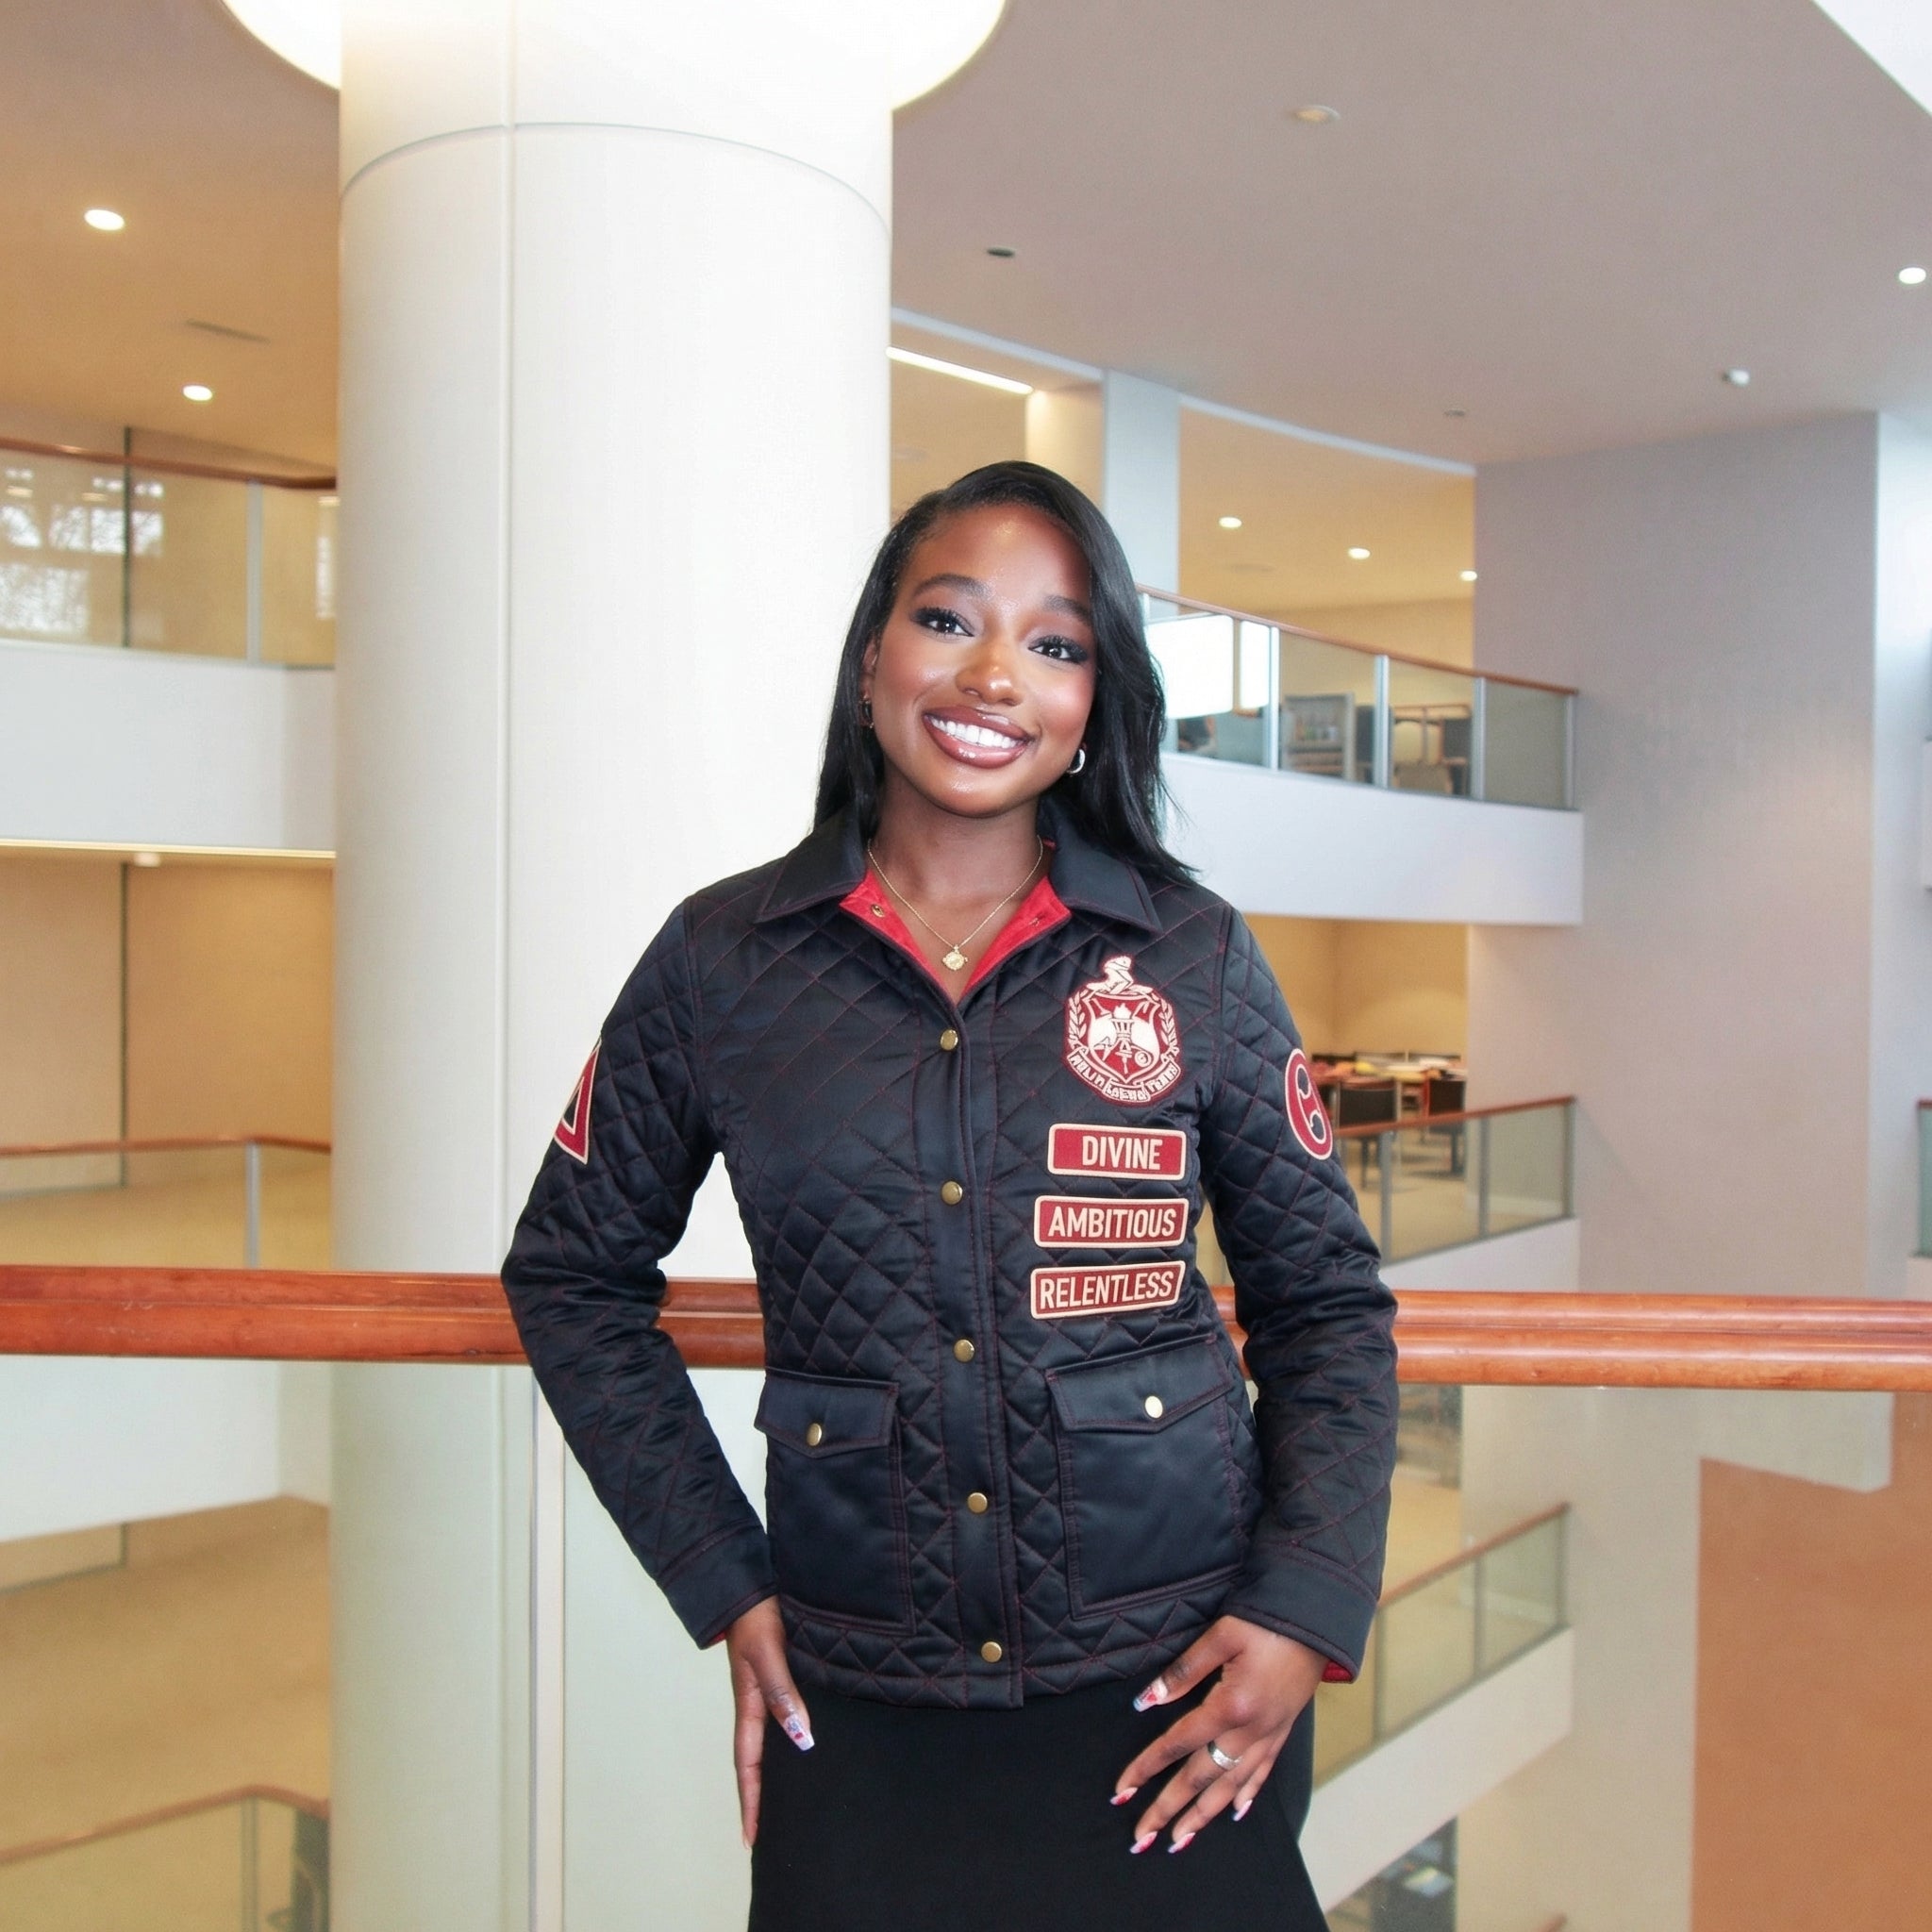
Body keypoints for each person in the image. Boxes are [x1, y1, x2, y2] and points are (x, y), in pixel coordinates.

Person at [502, 460, 1398, 1932]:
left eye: (1056, 645)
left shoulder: (1190, 953)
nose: (997, 677)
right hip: (857, 1697)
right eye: (948, 621)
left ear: (1094, 706)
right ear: (872, 661)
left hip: (1176, 1689)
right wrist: (722, 1575)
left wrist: (1304, 1608)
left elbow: (1324, 1309)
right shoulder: (723, 959)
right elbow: (570, 1275)